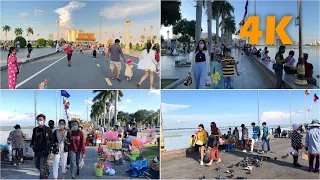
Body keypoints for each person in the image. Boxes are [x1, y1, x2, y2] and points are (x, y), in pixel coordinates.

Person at [30, 114, 54, 179]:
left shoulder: (48, 129)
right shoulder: (35, 129)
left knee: (42, 166)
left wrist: (48, 148)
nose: (39, 121)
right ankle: (46, 170)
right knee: (36, 164)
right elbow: (33, 138)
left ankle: (42, 177)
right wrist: (32, 145)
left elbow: (52, 140)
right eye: (38, 120)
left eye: (41, 120)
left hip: (44, 151)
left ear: (44, 120)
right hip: (37, 150)